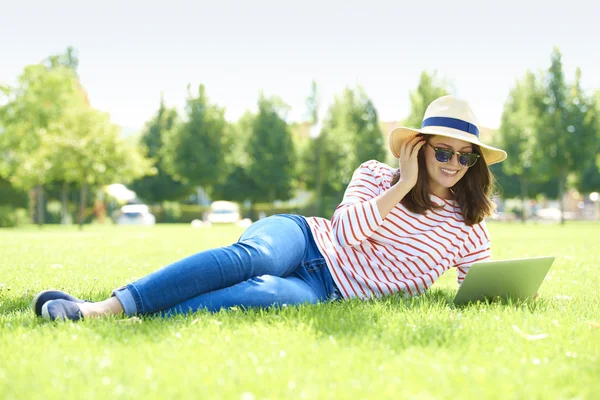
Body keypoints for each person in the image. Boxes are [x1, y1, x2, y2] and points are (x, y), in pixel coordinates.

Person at [32, 95, 507, 321]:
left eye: (465, 156)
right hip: (307, 237)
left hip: (331, 292)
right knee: (252, 259)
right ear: (418, 148)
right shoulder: (376, 176)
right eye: (442, 151)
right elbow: (345, 234)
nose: (453, 163)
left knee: (261, 292)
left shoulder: (467, 226)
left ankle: (131, 315)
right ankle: (104, 310)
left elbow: (485, 291)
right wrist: (402, 185)